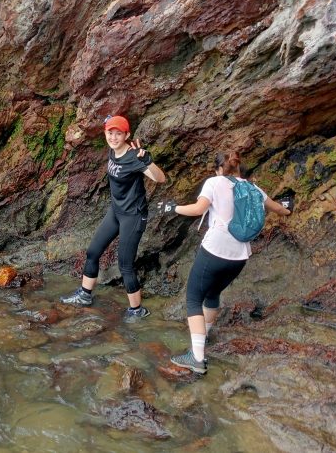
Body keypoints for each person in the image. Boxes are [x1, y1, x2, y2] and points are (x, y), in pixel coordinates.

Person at [158, 151, 292, 375]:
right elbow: (279, 209)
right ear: (240, 169)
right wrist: (289, 208)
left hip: (215, 250)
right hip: (239, 256)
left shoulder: (215, 182)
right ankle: (205, 335)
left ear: (219, 169)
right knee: (212, 294)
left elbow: (199, 209)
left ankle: (197, 358)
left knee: (193, 298)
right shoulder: (253, 188)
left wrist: (172, 208)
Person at [60, 115, 166, 321]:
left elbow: (160, 178)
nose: (114, 137)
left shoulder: (134, 157)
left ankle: (137, 310)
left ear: (127, 135)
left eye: (119, 134)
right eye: (110, 133)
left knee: (125, 264)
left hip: (133, 216)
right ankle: (84, 295)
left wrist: (147, 162)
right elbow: (105, 124)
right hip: (116, 212)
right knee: (93, 252)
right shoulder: (112, 150)